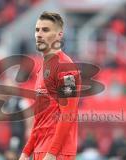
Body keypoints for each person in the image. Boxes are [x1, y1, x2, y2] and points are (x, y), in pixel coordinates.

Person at [19, 11, 81, 160]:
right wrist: (26, 151)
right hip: (41, 150)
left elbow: (68, 113)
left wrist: (52, 153)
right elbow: (39, 117)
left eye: (45, 30)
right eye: (37, 30)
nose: (39, 34)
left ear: (59, 35)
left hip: (57, 153)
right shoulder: (41, 68)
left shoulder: (66, 68)